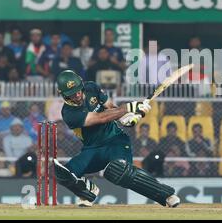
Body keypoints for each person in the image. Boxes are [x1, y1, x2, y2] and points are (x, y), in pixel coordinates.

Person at [53, 69, 180, 208]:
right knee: (63, 174)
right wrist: (128, 108)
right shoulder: (68, 113)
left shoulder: (91, 87)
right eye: (72, 94)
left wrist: (126, 117)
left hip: (116, 141)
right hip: (92, 150)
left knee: (119, 171)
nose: (77, 95)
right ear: (64, 95)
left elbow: (111, 107)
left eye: (78, 90)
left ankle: (166, 195)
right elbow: (99, 118)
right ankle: (88, 190)